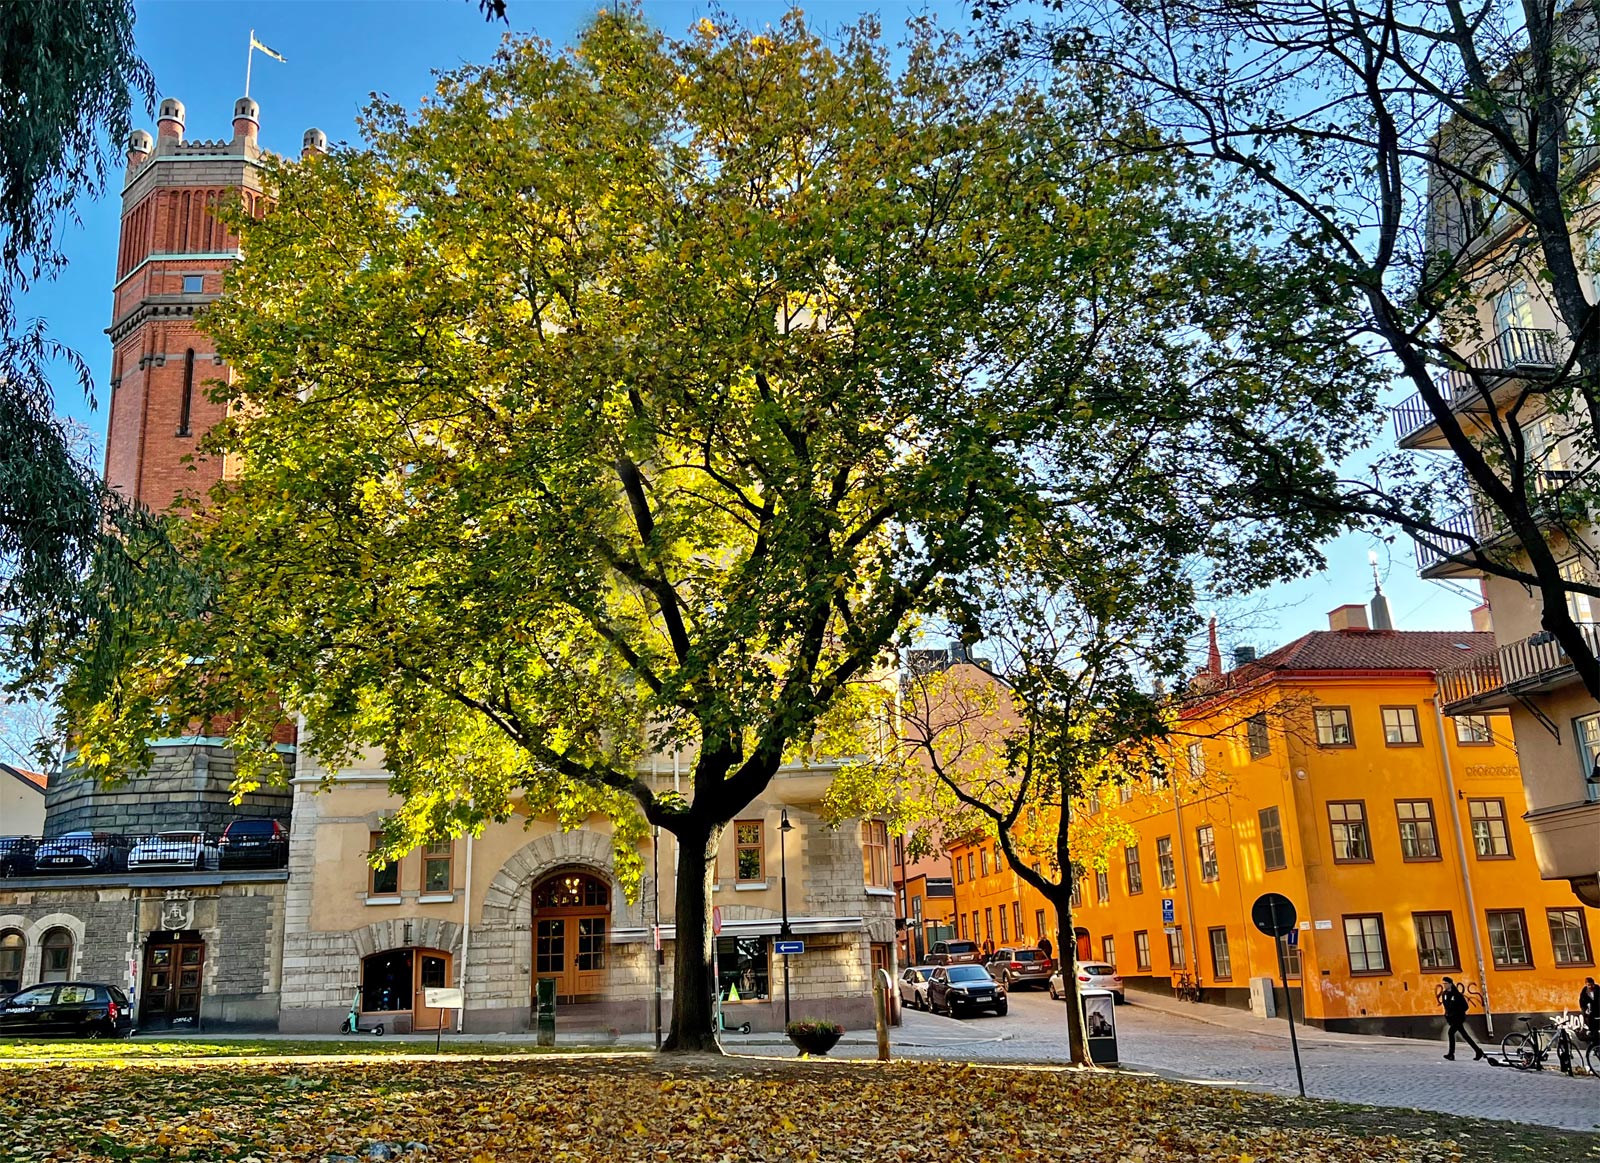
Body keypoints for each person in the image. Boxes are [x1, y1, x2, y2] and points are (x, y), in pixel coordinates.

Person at [1439, 977, 1484, 1061]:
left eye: (1446, 984)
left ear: (1450, 984)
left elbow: (1465, 1006)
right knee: (1465, 1036)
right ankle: (1478, 1051)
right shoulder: (1444, 994)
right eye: (1443, 984)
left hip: (1458, 1018)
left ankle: (1451, 1054)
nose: (1444, 985)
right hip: (1452, 1019)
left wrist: (1457, 1013)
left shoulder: (1457, 995)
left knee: (1450, 1033)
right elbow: (1446, 1006)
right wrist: (1447, 1015)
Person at [1580, 976, 1600, 1045]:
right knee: (1592, 1030)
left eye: (1591, 985)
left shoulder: (1598, 989)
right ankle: (1595, 1045)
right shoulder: (1584, 991)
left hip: (1598, 1011)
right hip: (1590, 1013)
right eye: (1589, 985)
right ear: (1586, 984)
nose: (1590, 986)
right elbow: (1582, 1002)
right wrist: (1584, 1010)